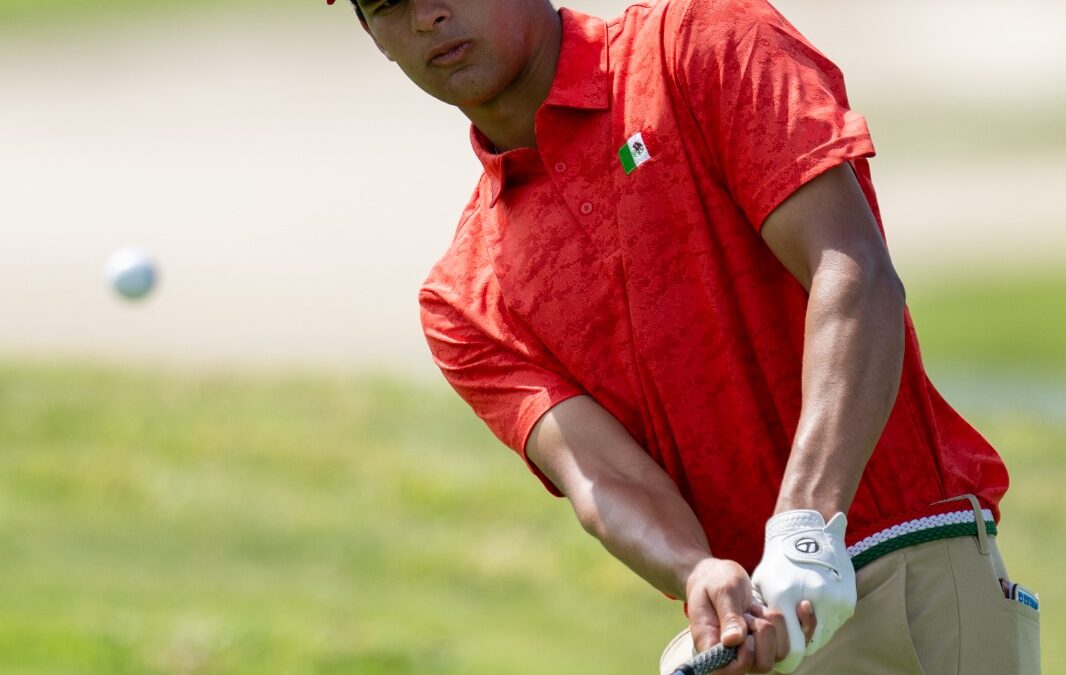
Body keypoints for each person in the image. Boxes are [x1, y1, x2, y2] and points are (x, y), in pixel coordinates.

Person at [328, 0, 1040, 672]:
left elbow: (851, 269)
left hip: (907, 572)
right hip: (748, 638)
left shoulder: (703, 42)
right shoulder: (465, 298)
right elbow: (604, 477)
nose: (427, 15)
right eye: (387, 2)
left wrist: (805, 523)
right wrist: (697, 571)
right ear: (370, 34)